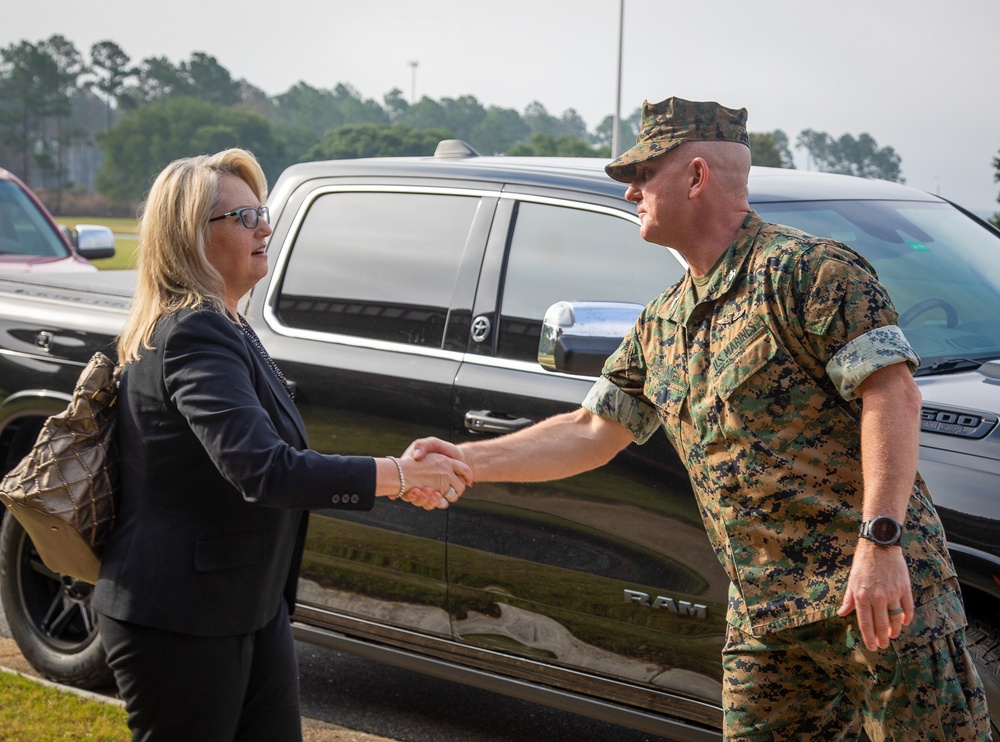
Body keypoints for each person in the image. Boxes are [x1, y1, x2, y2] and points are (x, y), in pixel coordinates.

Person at [409, 98, 992, 739]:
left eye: (643, 174)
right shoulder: (664, 320)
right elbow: (592, 431)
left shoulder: (807, 272)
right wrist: (464, 460)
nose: (630, 191)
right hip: (765, 619)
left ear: (695, 176)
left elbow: (893, 396)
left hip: (874, 599)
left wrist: (880, 545)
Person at [92, 148, 470, 742]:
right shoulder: (194, 330)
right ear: (192, 237)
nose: (266, 227)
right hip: (182, 615)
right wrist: (398, 474)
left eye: (261, 212)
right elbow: (263, 470)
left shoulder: (228, 324)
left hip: (247, 603)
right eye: (244, 219)